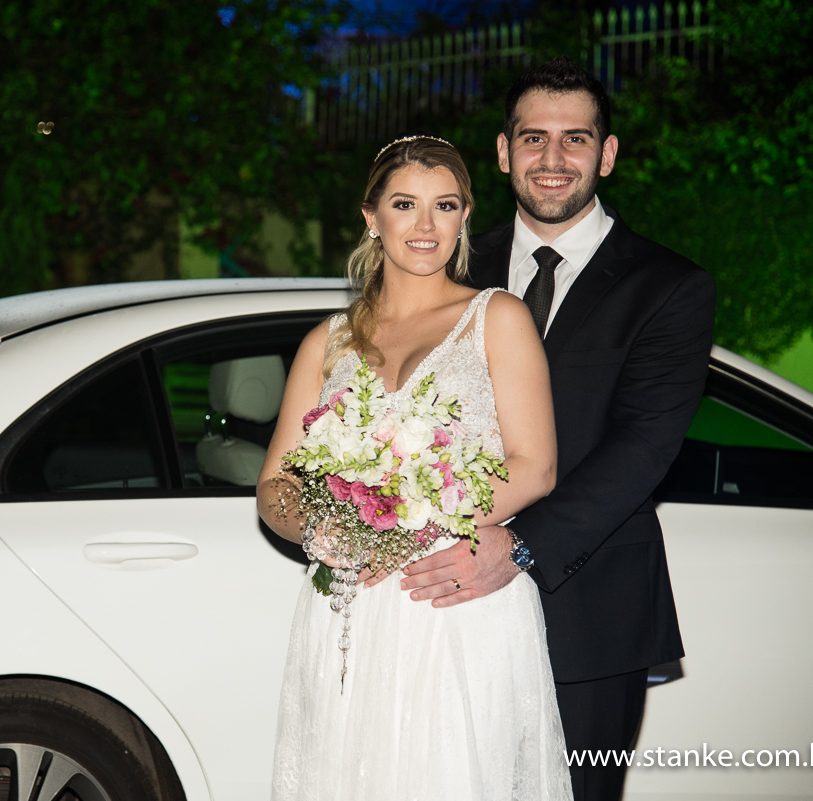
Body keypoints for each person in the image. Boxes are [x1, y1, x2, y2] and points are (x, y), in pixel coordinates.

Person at [397, 57, 717, 801]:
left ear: (605, 154)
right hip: (443, 601)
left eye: (575, 139)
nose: (552, 159)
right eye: (533, 138)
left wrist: (522, 546)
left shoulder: (667, 286)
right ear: (504, 152)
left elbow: (644, 445)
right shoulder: (445, 267)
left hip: (589, 609)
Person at [257, 135, 573, 799]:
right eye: (406, 204)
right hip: (352, 608)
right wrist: (321, 529)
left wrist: (404, 524)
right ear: (371, 217)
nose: (425, 225)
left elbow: (536, 465)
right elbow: (276, 484)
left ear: (464, 216)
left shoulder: (497, 317)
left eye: (445, 205)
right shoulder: (328, 340)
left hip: (454, 595)